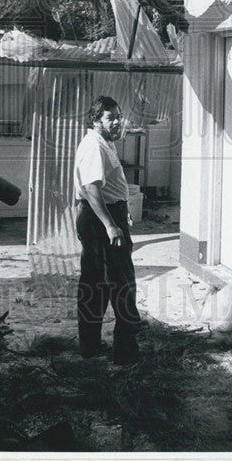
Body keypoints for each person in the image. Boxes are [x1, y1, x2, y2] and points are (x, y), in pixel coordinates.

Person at [74, 96, 141, 364]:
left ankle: (90, 347)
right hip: (100, 219)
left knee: (96, 283)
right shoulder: (94, 146)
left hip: (102, 216)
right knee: (122, 282)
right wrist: (111, 225)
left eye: (118, 116)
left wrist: (120, 215)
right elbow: (92, 189)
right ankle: (125, 353)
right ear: (95, 120)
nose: (117, 122)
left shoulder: (104, 143)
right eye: (110, 117)